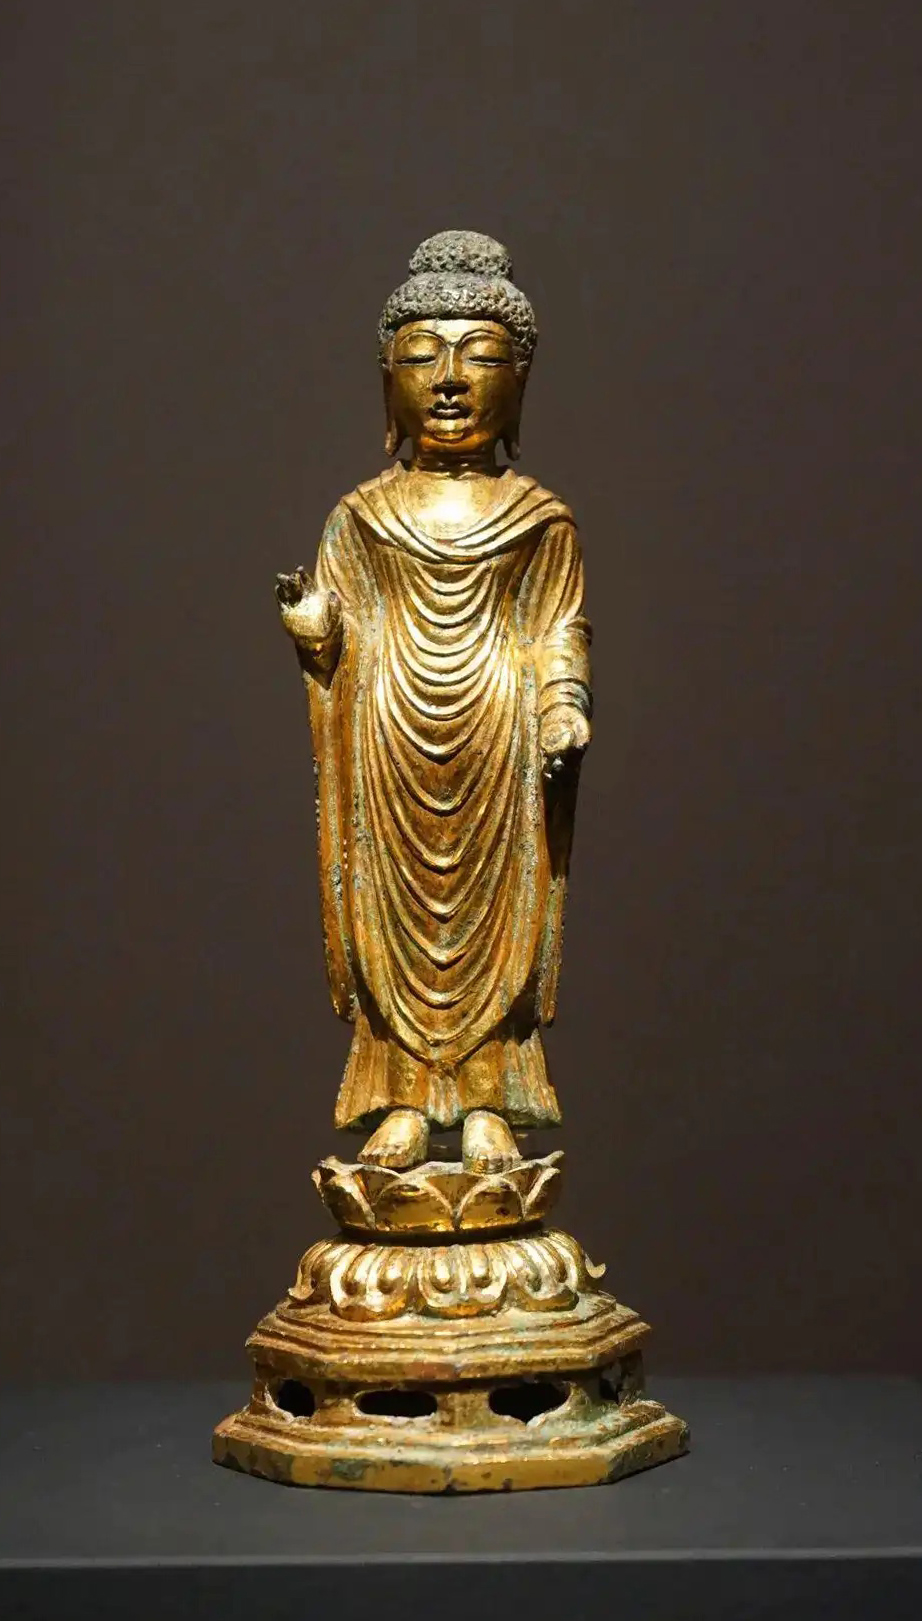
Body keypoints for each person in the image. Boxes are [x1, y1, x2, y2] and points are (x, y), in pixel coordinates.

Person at [276, 231, 591, 1174]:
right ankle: (403, 1100)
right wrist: (315, 633)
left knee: (497, 918)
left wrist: (562, 704)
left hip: (501, 740)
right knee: (392, 918)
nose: (449, 381)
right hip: (388, 738)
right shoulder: (360, 516)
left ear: (519, 381)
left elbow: (559, 626)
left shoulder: (541, 519)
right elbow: (340, 626)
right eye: (421, 357)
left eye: (479, 357)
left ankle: (491, 1099)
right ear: (388, 383)